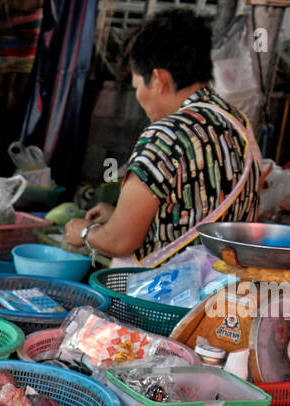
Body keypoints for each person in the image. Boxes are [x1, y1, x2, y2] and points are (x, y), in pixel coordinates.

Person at [63, 10, 261, 267]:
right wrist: (120, 216)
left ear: (158, 79)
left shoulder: (165, 135)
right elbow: (196, 213)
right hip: (221, 293)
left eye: (137, 86)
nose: (138, 96)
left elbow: (121, 240)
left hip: (164, 299)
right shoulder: (238, 123)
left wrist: (83, 233)